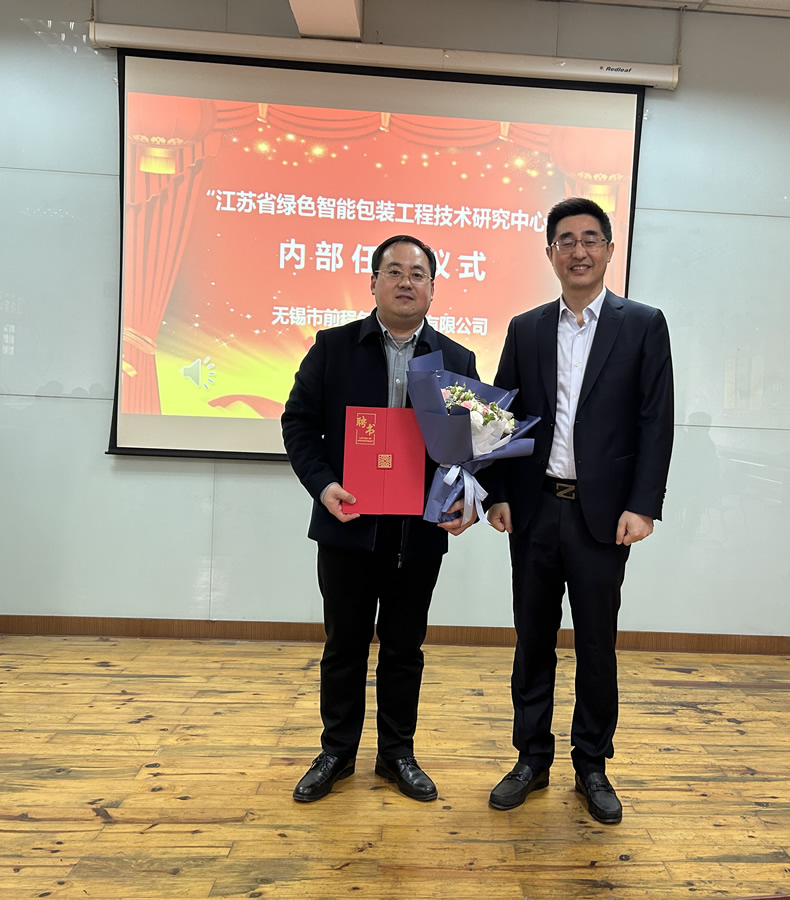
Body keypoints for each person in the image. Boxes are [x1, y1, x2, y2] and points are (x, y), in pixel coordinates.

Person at [484, 198, 674, 824]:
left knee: (596, 643)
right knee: (532, 640)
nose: (579, 250)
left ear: (610, 250)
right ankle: (531, 758)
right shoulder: (526, 329)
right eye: (565, 240)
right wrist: (499, 493)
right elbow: (503, 418)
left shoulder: (642, 324)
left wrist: (643, 506)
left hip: (603, 517)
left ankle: (592, 763)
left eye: (591, 239)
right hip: (535, 510)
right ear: (550, 254)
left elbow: (655, 422)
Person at [281, 234, 478, 804]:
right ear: (372, 283)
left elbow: (471, 446)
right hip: (349, 523)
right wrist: (324, 485)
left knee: (404, 647)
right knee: (343, 644)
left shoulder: (455, 361)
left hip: (418, 532)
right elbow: (298, 424)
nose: (405, 282)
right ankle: (337, 752)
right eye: (394, 271)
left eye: (418, 273)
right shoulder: (334, 347)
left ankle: (397, 753)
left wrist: (466, 496)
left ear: (433, 288)